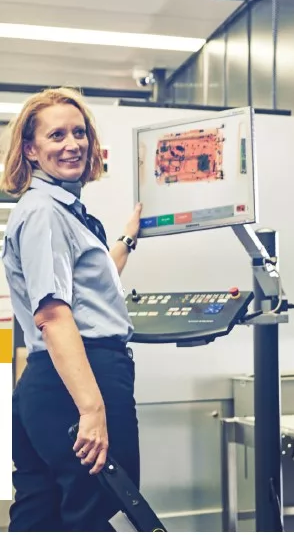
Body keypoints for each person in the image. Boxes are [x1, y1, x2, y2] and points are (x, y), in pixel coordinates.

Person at [2, 88, 143, 531]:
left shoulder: (58, 211)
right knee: (95, 511)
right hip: (82, 375)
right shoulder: (45, 212)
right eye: (56, 135)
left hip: (46, 384)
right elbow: (55, 315)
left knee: (39, 512)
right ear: (31, 149)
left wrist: (128, 240)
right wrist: (92, 409)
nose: (72, 144)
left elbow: (87, 288)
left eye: (79, 133)